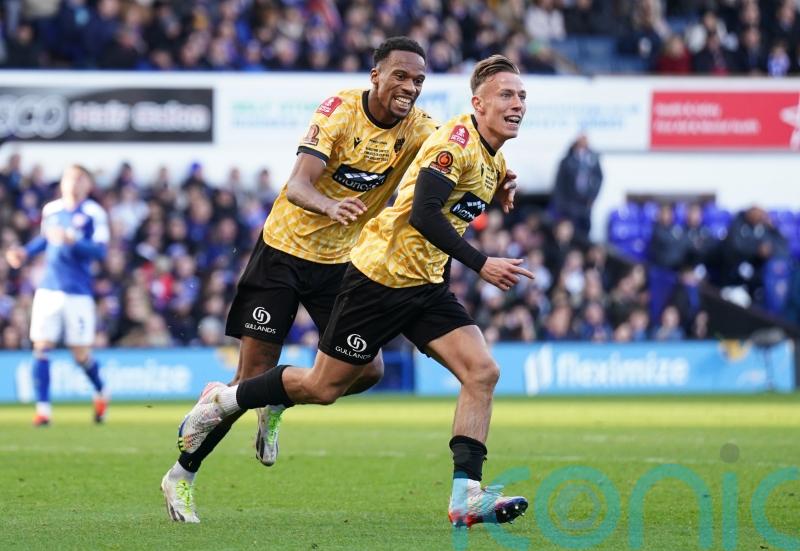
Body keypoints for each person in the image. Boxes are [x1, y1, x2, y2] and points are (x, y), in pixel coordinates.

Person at [176, 54, 532, 528]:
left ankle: (466, 494)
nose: (517, 104)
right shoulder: (382, 123)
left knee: (479, 372)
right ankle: (211, 425)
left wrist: (501, 181)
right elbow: (420, 210)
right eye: (507, 95)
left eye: (522, 96)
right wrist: (481, 262)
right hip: (346, 269)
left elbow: (462, 172)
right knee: (314, 386)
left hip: (413, 281)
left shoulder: (460, 143)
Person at [160, 36, 439, 523]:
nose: (409, 87)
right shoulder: (338, 112)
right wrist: (331, 205)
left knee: (368, 370)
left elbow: (452, 161)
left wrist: (499, 179)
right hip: (283, 255)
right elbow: (297, 184)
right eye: (400, 75)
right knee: (246, 380)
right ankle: (181, 475)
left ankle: (279, 397)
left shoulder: (420, 129)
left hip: (341, 265)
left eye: (418, 79)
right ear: (375, 74)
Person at [4, 165, 109, 426]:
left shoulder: (94, 213)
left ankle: (100, 391)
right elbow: (45, 240)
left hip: (78, 292)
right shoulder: (51, 210)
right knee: (41, 347)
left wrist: (74, 241)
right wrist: (24, 252)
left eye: (79, 178)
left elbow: (101, 252)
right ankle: (43, 410)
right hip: (48, 288)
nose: (73, 183)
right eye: (69, 178)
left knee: (80, 354)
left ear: (87, 184)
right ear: (62, 183)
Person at [549, 134, 603, 242]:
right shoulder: (567, 161)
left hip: (585, 203)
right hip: (569, 203)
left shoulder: (592, 160)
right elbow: (559, 184)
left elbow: (599, 177)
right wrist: (561, 203)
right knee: (570, 231)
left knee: (585, 230)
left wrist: (593, 196)